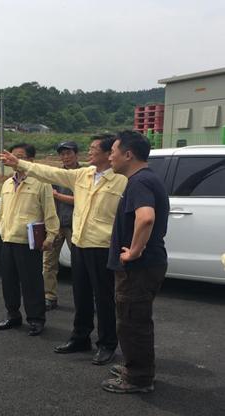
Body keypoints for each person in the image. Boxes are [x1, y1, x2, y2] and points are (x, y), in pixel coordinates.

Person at [0, 134, 127, 365]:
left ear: (109, 154)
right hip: (80, 244)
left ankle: (107, 343)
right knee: (82, 296)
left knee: (104, 299)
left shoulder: (121, 180)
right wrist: (20, 163)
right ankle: (80, 337)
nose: (90, 152)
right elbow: (51, 173)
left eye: (94, 148)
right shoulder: (83, 175)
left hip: (103, 247)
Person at [101, 130, 170, 394]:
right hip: (145, 267)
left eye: (114, 152)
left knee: (132, 323)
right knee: (135, 319)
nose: (110, 157)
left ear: (128, 154)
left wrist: (134, 252)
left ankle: (139, 378)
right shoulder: (145, 178)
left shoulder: (139, 182)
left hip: (139, 268)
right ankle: (135, 367)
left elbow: (146, 218)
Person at [0, 143, 59, 336]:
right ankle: (13, 315)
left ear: (31, 161)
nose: (14, 159)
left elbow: (50, 212)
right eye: (12, 155)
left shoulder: (41, 182)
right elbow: (1, 212)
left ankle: (36, 319)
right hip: (7, 239)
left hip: (28, 242)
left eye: (20, 156)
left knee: (31, 282)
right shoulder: (7, 183)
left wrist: (51, 236)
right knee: (8, 281)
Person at [43, 141, 79, 311]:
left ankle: (87, 298)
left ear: (76, 154)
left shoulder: (83, 174)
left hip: (75, 226)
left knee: (81, 264)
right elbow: (48, 200)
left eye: (68, 153)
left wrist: (57, 195)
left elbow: (82, 200)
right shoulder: (57, 174)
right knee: (49, 263)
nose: (65, 157)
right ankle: (50, 297)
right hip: (56, 226)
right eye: (62, 154)